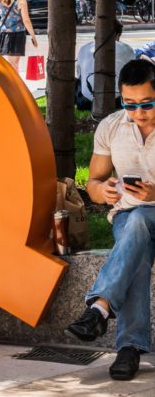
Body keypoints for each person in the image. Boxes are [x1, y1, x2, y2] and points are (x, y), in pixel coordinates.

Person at [66, 59, 155, 381]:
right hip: (130, 216)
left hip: (145, 212)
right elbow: (92, 184)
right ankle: (126, 344)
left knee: (139, 225)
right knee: (137, 233)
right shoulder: (111, 127)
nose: (139, 112)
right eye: (130, 104)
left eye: (147, 103)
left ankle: (102, 313)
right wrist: (104, 191)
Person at [75, 20, 135, 111]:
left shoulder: (84, 48)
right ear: (117, 35)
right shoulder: (127, 49)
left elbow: (79, 74)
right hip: (117, 100)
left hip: (86, 100)